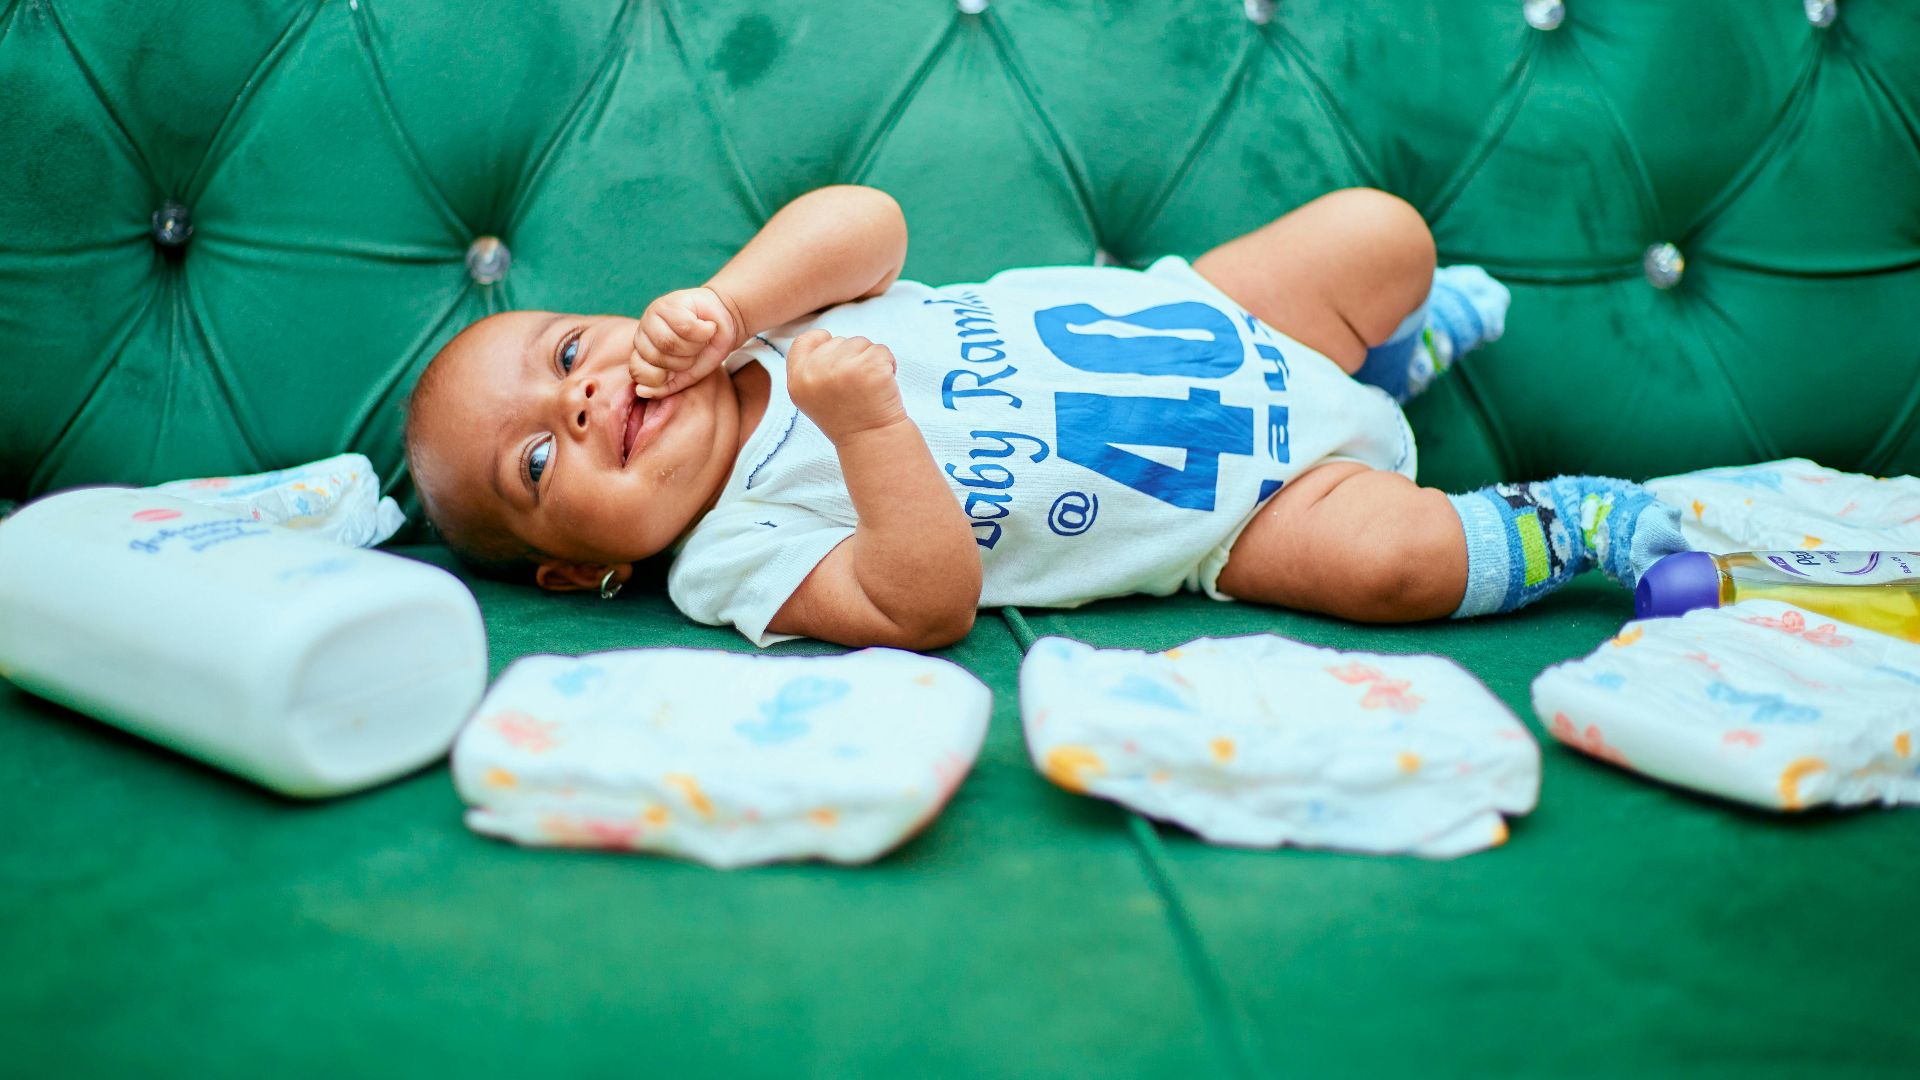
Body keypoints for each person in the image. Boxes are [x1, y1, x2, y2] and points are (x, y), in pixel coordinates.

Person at [403, 185, 1684, 649]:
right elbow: (924, 606)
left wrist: (737, 309)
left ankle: (1393, 358)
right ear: (583, 567)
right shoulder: (731, 562)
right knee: (1399, 562)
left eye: (566, 350)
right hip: (1235, 514)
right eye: (534, 459)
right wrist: (864, 430)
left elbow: (876, 223)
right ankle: (1566, 530)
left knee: (1382, 234)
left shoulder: (768, 317)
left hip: (1225, 320)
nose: (575, 399)